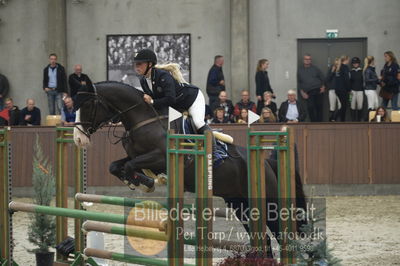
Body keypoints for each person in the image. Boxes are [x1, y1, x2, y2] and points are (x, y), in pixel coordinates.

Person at [133, 49, 222, 163]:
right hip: (176, 105)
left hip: (192, 99)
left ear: (150, 64)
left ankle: (214, 153)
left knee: (198, 122)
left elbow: (170, 99)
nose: (137, 66)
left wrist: (152, 102)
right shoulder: (143, 80)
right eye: (136, 64)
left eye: (140, 64)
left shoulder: (163, 76)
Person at [297, 54, 325, 122]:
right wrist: (302, 92)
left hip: (318, 90)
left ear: (310, 60)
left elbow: (323, 78)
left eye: (309, 59)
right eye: (306, 59)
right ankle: (313, 123)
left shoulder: (315, 68)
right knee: (310, 107)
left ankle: (320, 123)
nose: (307, 61)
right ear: (303, 60)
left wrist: (323, 87)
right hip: (308, 92)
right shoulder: (300, 70)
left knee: (319, 107)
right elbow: (298, 82)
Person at [327, 55, 350, 122]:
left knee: (342, 105)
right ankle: (333, 118)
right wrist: (348, 89)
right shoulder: (343, 68)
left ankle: (338, 119)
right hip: (340, 89)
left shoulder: (341, 68)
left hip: (338, 89)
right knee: (339, 106)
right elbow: (346, 79)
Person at [350, 57, 364, 121]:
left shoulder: (362, 71)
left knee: (360, 106)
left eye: (356, 63)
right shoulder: (350, 71)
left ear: (359, 63)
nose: (355, 64)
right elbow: (348, 81)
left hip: (360, 91)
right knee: (352, 105)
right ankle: (353, 120)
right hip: (352, 91)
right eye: (354, 63)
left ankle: (359, 120)